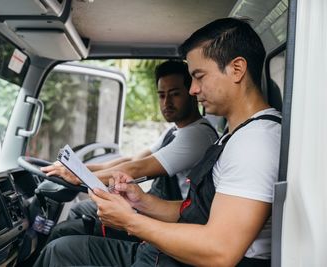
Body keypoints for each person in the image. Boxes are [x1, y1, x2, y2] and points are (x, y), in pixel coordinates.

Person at [34, 17, 281, 267]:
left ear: (236, 70)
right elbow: (197, 213)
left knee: (61, 251)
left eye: (199, 76)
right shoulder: (236, 135)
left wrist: (130, 220)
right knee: (62, 249)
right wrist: (141, 201)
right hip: (168, 255)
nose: (193, 90)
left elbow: (220, 251)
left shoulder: (255, 142)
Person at [43, 60, 218, 242]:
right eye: (161, 95)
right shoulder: (175, 130)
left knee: (62, 233)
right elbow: (133, 159)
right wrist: (76, 167)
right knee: (80, 210)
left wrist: (78, 176)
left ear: (191, 94)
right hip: (153, 207)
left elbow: (137, 170)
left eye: (175, 94)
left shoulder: (197, 135)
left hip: (172, 222)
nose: (167, 102)